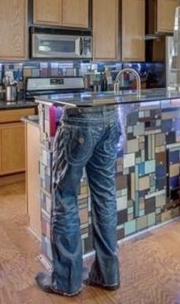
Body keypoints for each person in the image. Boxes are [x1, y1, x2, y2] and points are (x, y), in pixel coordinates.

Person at [35, 107, 122, 296]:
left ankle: (67, 282)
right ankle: (108, 275)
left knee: (65, 198)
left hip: (79, 120)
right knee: (105, 196)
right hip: (111, 117)